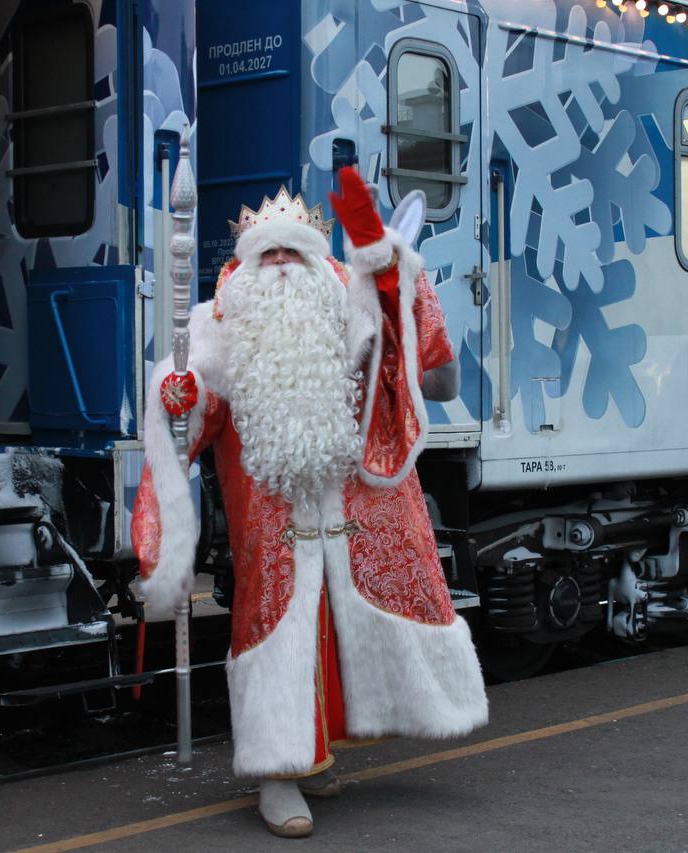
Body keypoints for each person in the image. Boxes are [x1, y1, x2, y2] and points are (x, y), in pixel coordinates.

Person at [131, 168, 487, 838]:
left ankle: (315, 749)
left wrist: (388, 266)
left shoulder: (350, 314)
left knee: (338, 626)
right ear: (245, 267)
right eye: (269, 254)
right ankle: (277, 773)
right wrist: (176, 399)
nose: (283, 265)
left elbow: (423, 367)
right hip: (272, 527)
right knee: (276, 629)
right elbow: (191, 420)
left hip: (357, 519)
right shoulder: (213, 328)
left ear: (322, 262)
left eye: (295, 251)